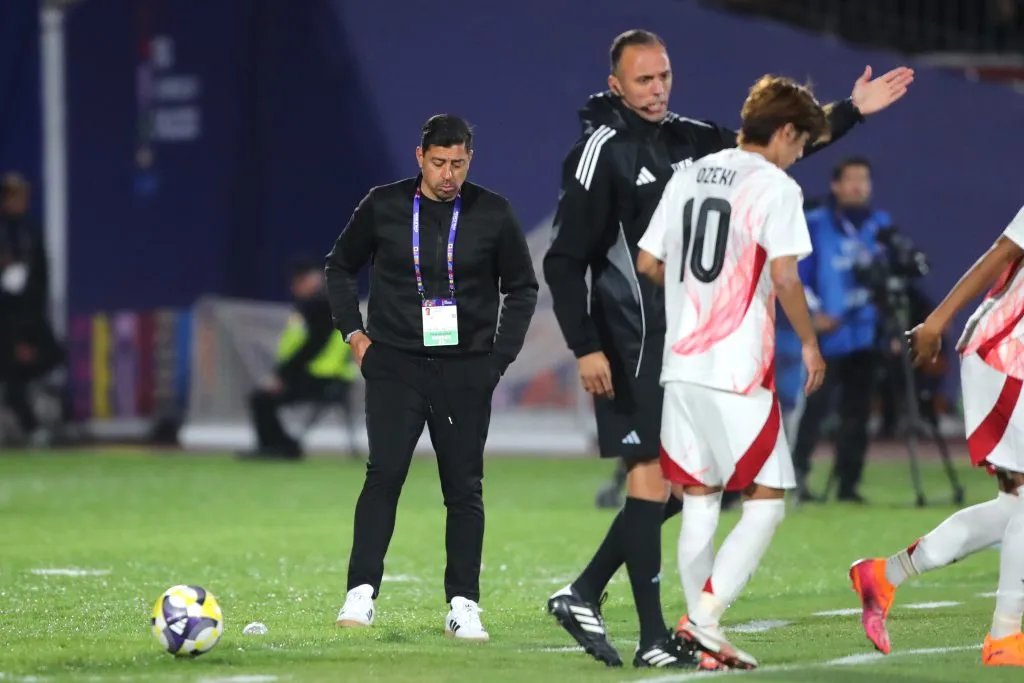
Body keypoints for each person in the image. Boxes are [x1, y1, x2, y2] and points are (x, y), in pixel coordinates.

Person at [543, 28, 914, 668]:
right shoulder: (600, 150)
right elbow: (564, 259)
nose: (657, 89)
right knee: (657, 482)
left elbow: (772, 144)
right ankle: (654, 637)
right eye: (643, 80)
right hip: (630, 342)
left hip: (682, 344)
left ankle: (584, 593)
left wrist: (848, 112)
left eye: (663, 76)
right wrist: (585, 346)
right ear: (616, 85)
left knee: (688, 489)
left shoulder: (689, 139)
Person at [635, 74, 828, 670]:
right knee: (767, 501)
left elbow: (648, 261)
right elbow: (788, 277)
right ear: (787, 131)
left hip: (681, 368)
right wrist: (811, 345)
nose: (799, 156)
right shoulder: (775, 185)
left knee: (699, 500)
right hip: (736, 368)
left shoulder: (689, 173)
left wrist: (696, 294)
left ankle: (703, 644)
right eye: (801, 144)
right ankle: (706, 620)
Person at [325, 114, 538, 641]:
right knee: (384, 475)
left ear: (470, 159)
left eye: (458, 164)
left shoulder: (492, 212)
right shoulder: (384, 205)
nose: (448, 175)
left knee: (464, 488)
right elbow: (338, 267)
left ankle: (463, 605)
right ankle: (360, 595)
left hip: (466, 368)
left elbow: (523, 287)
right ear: (419, 158)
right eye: (439, 163)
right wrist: (355, 336)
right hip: (394, 364)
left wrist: (497, 362)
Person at [850, 203, 1024, 667]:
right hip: (1004, 355)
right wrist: (936, 321)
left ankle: (884, 575)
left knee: (1014, 506)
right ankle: (1005, 638)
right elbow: (1001, 252)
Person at [789, 157, 892, 503]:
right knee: (816, 411)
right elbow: (795, 275)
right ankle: (799, 478)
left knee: (858, 414)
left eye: (864, 179)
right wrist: (814, 314)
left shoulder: (879, 225)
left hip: (865, 333)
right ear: (836, 184)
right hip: (829, 336)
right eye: (851, 179)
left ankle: (849, 485)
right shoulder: (815, 224)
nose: (858, 186)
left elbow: (888, 276)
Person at [238, 260, 357, 461]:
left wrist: (282, 375)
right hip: (327, 377)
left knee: (261, 400)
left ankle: (277, 447)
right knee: (261, 399)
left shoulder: (319, 307)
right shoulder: (331, 305)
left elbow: (311, 348)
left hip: (322, 378)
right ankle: (284, 445)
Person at [0, 172, 63, 444]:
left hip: (30, 321)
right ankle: (31, 426)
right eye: (14, 196)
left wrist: (29, 337)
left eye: (23, 196)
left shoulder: (31, 233)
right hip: (4, 324)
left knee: (55, 354)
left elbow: (41, 283)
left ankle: (57, 420)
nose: (20, 202)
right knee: (11, 371)